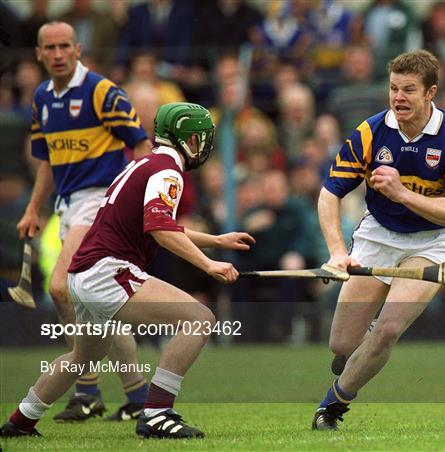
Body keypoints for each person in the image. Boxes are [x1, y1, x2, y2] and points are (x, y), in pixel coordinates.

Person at [0, 101, 256, 439]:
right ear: (187, 139)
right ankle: (157, 413)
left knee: (83, 356)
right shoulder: (169, 170)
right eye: (200, 138)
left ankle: (19, 421)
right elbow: (159, 228)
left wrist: (216, 240)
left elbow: (156, 222)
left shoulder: (148, 163)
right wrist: (208, 264)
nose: (203, 146)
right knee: (199, 319)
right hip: (109, 271)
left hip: (84, 274)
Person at [312, 49, 445, 430]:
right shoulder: (370, 132)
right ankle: (361, 346)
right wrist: (337, 252)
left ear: (430, 92)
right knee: (341, 346)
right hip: (378, 235)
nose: (398, 98)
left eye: (409, 90)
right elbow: (328, 194)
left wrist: (402, 194)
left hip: (433, 241)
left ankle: (331, 407)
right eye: (393, 88)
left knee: (387, 331)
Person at [17, 21, 154, 422]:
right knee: (99, 307)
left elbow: (141, 145)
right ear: (39, 55)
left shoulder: (102, 91)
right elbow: (47, 160)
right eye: (50, 48)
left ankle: (87, 388)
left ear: (77, 49)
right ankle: (137, 397)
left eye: (64, 46)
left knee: (61, 287)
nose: (58, 54)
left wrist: (139, 199)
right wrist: (32, 209)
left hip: (99, 201)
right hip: (67, 204)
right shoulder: (42, 97)